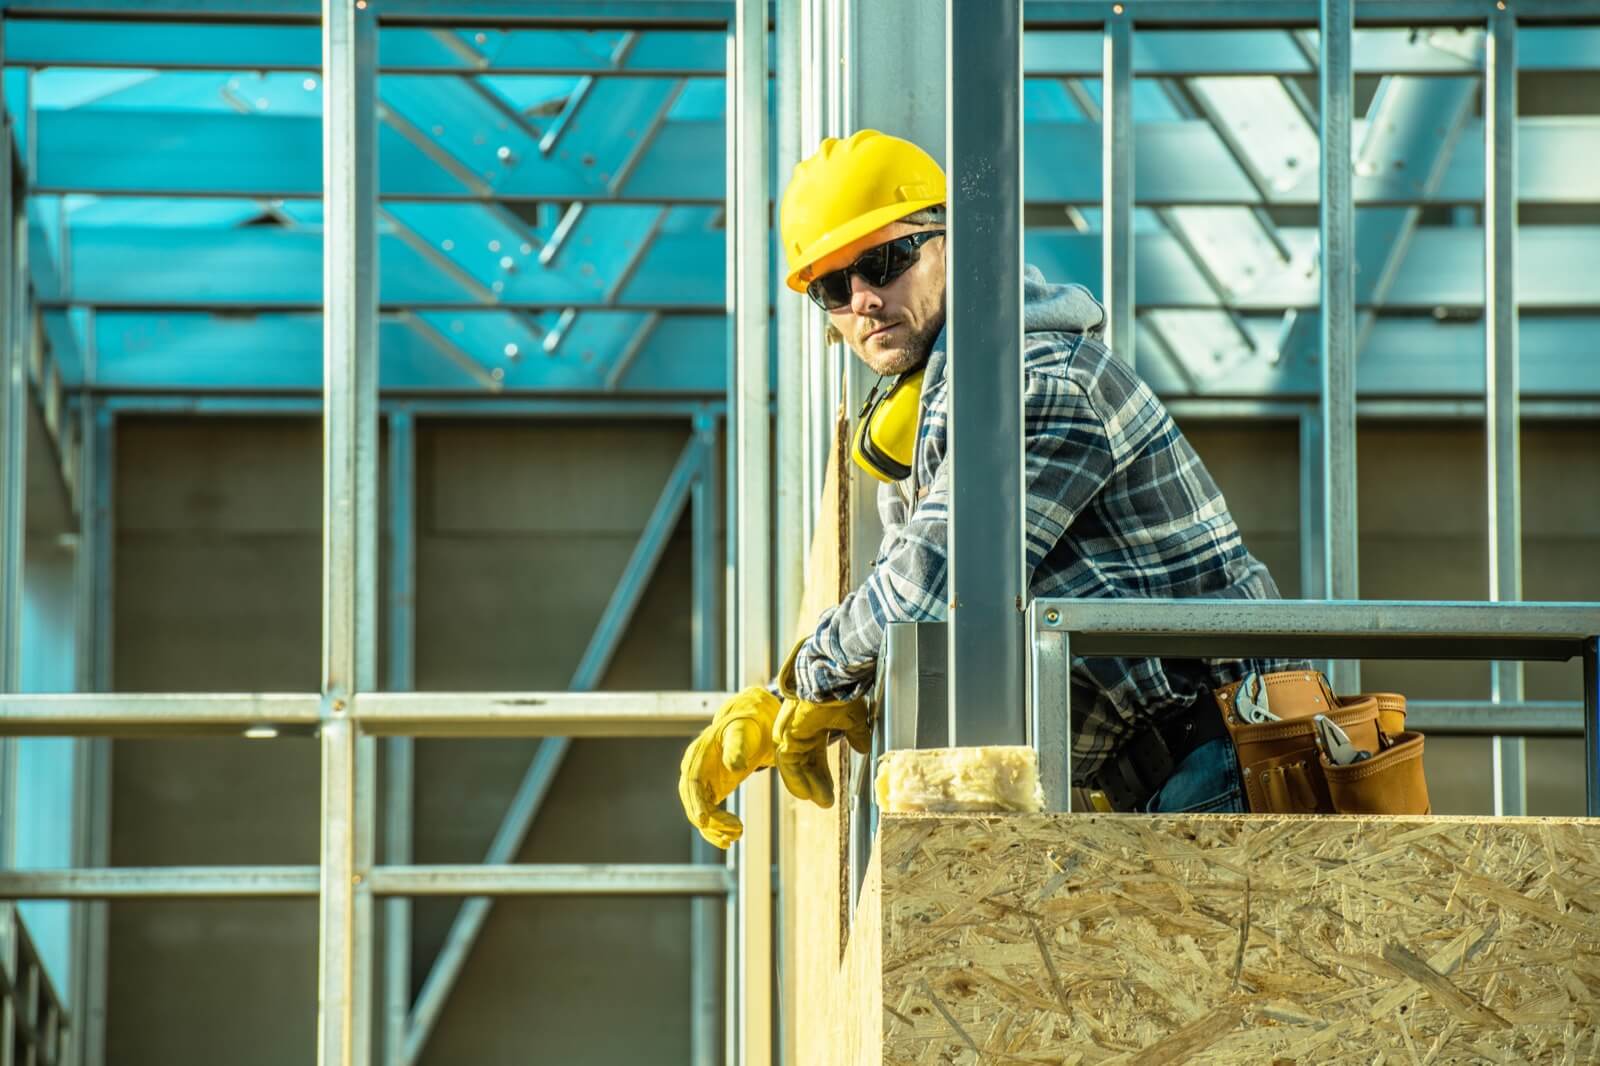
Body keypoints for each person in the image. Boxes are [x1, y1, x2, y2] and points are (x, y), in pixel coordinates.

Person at [678, 129, 1297, 849]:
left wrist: (800, 687)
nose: (864, 301)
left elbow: (931, 584)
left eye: (882, 261)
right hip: (1168, 779)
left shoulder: (1030, 380)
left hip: (1223, 762)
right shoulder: (943, 402)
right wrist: (863, 689)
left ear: (954, 244)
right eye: (832, 288)